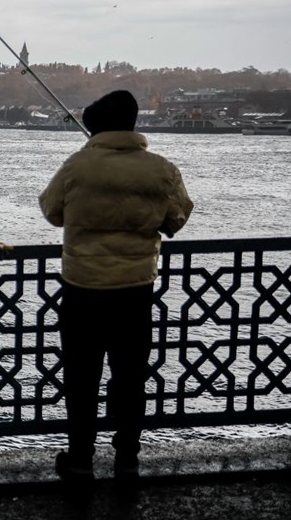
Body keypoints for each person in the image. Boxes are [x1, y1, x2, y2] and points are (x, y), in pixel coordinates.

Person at [38, 90, 193, 483]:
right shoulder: (161, 170)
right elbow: (177, 218)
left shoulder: (77, 166)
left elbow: (52, 211)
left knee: (81, 377)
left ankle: (80, 460)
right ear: (133, 124)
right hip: (134, 289)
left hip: (83, 288)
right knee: (129, 377)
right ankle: (127, 458)